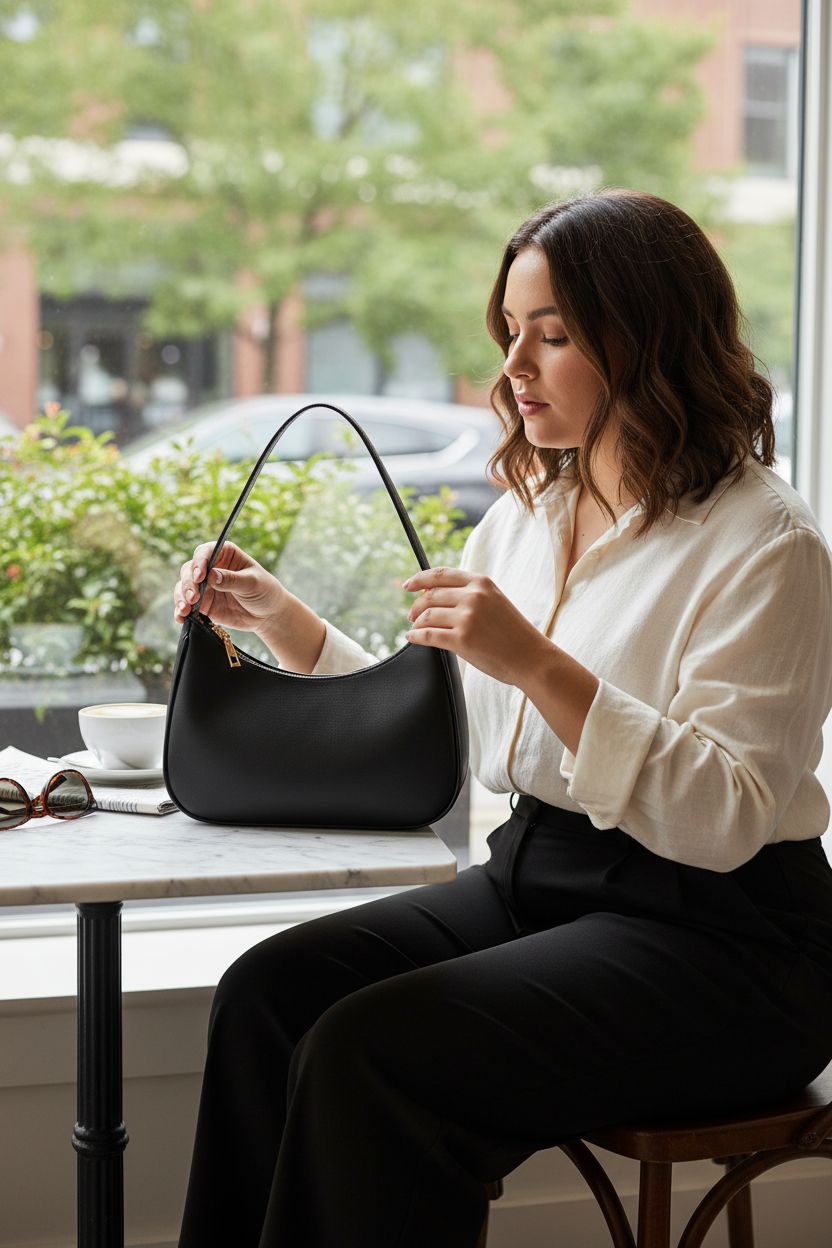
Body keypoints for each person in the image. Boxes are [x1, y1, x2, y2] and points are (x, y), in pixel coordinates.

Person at [174, 189, 832, 1248]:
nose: (514, 365)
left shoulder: (768, 544)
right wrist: (285, 625)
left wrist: (534, 661)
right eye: (511, 330)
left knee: (372, 1048)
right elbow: (458, 737)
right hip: (538, 881)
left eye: (553, 336)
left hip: (727, 944)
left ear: (647, 340)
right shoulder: (528, 518)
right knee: (269, 995)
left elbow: (724, 818)